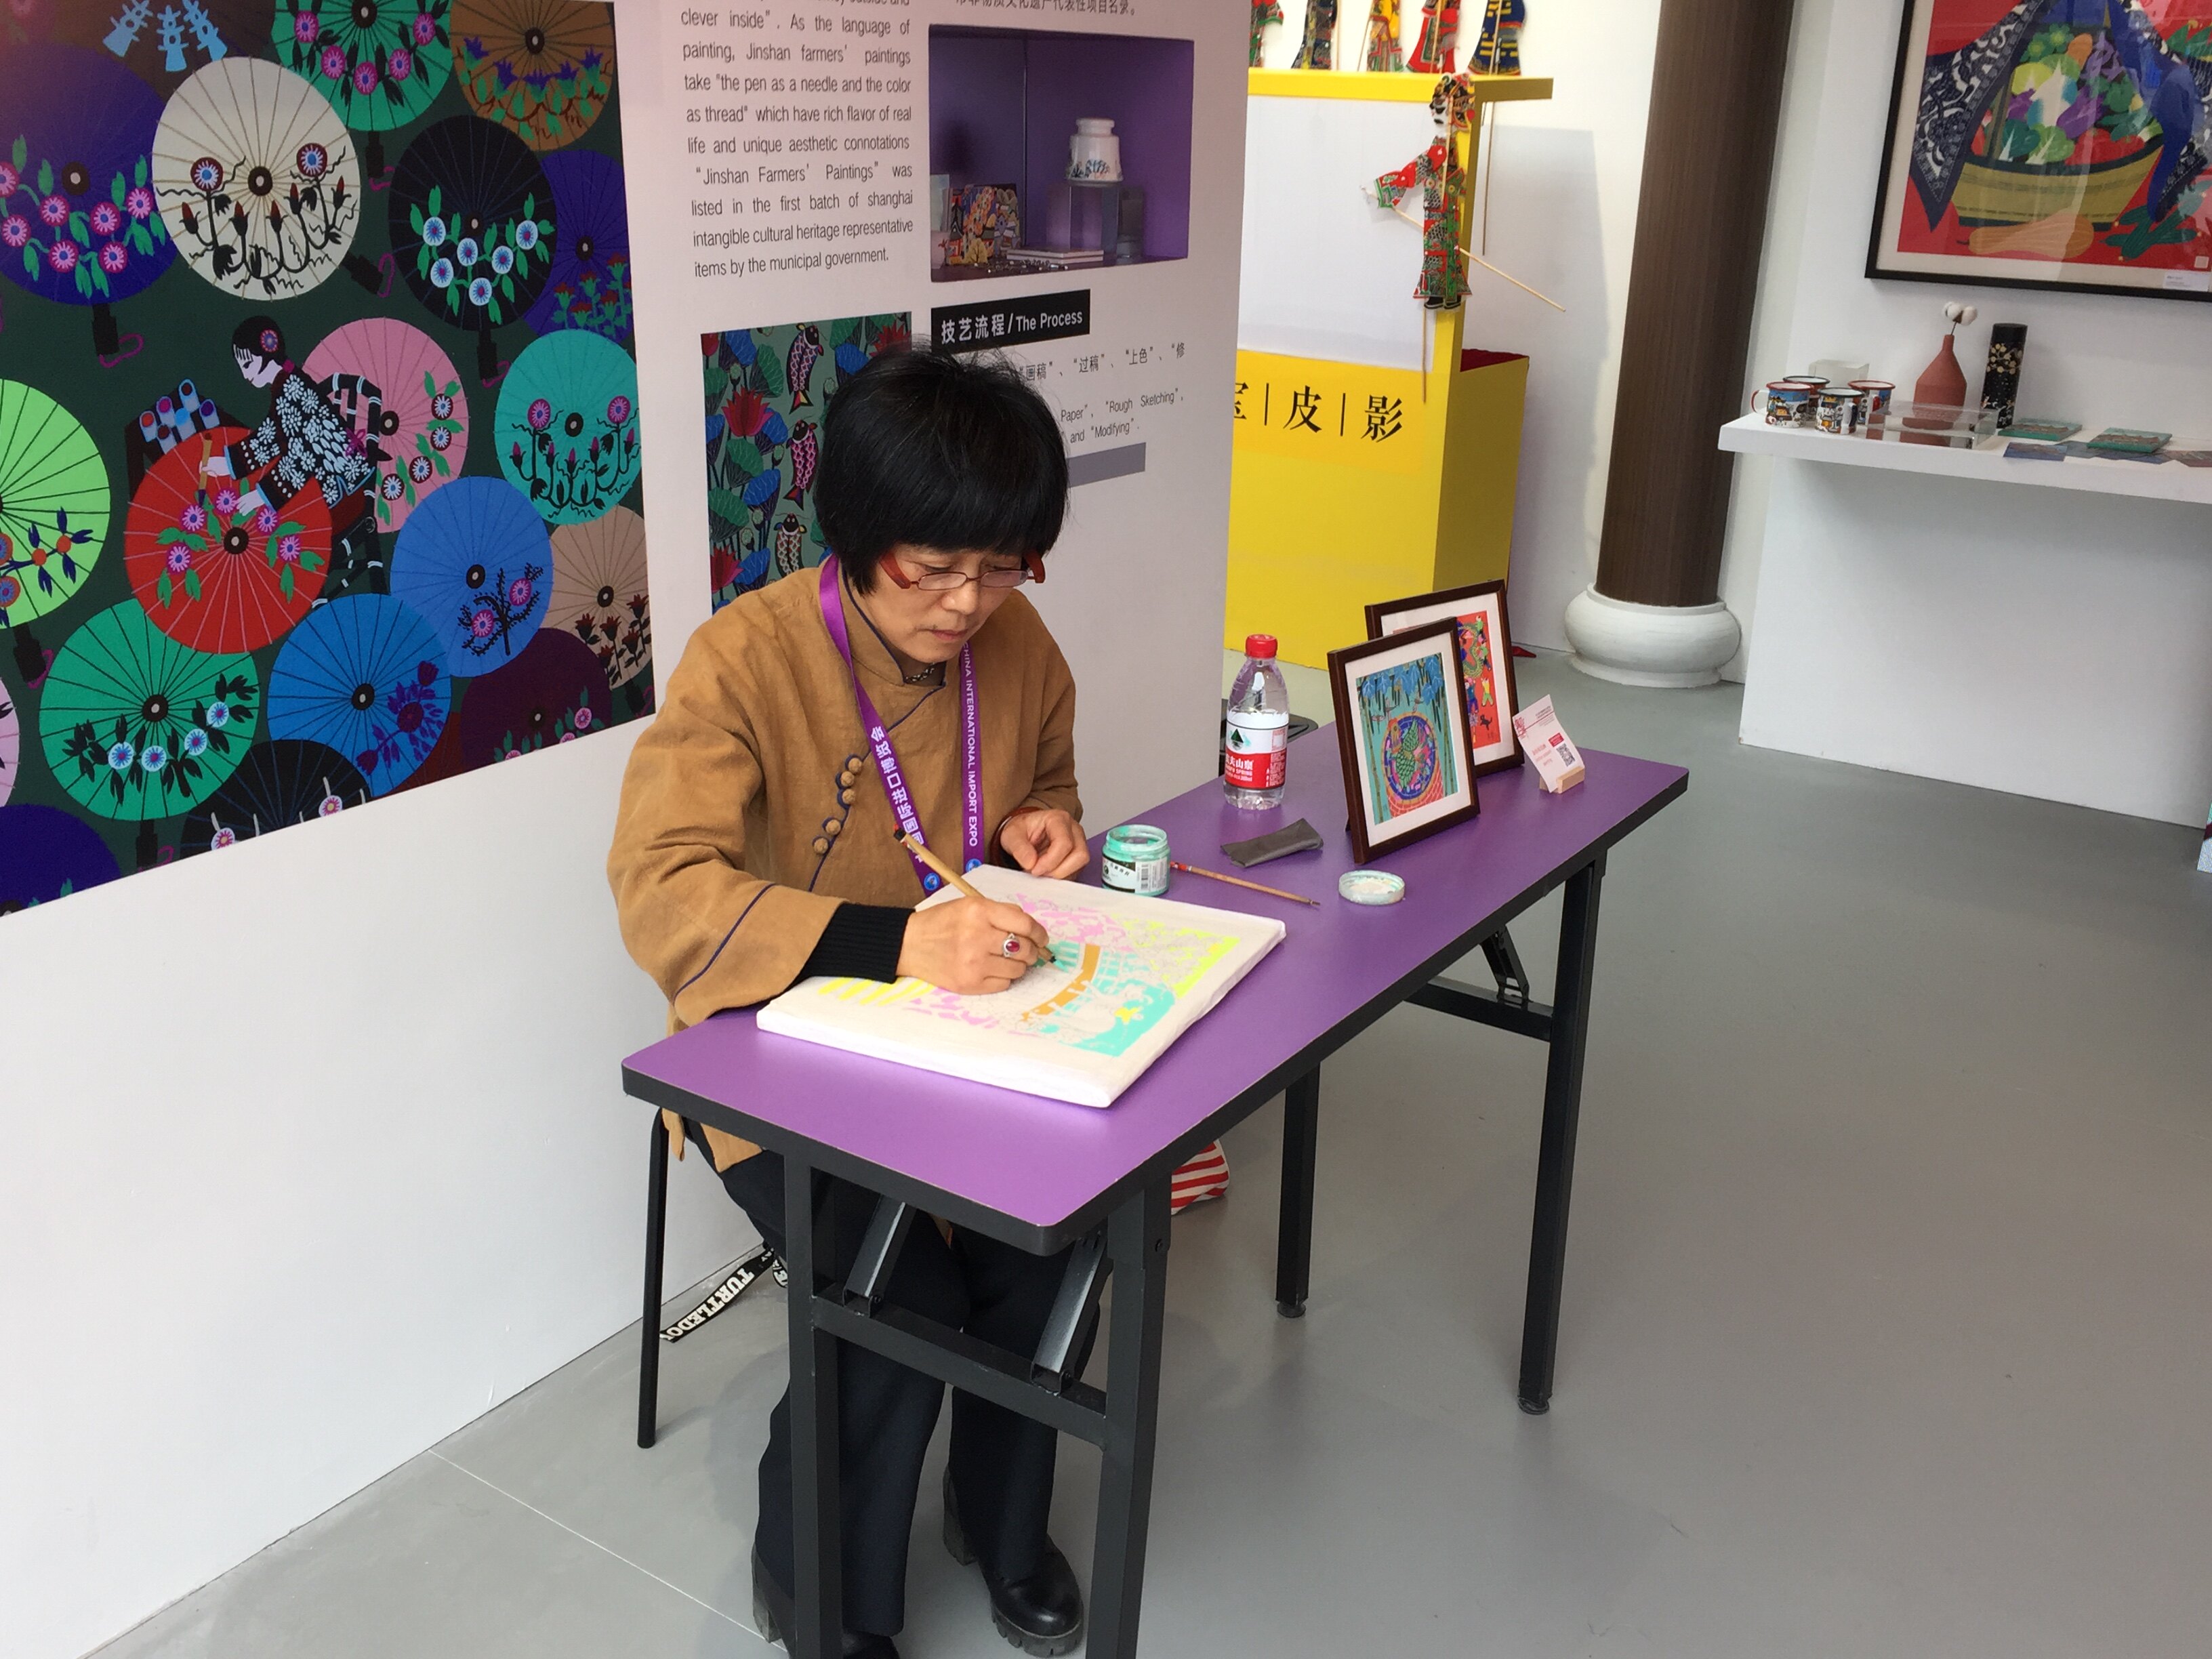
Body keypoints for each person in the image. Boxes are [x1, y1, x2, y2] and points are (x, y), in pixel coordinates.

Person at [607, 348, 1092, 1659]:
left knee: (1053, 1250)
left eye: (1001, 567)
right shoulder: (746, 658)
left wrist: (1045, 823)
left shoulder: (1013, 640)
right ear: (861, 536)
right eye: (931, 568)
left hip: (967, 1043)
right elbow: (660, 886)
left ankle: (999, 1524)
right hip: (777, 1064)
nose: (965, 602)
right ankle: (818, 1593)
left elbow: (1048, 773)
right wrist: (896, 944)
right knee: (896, 1303)